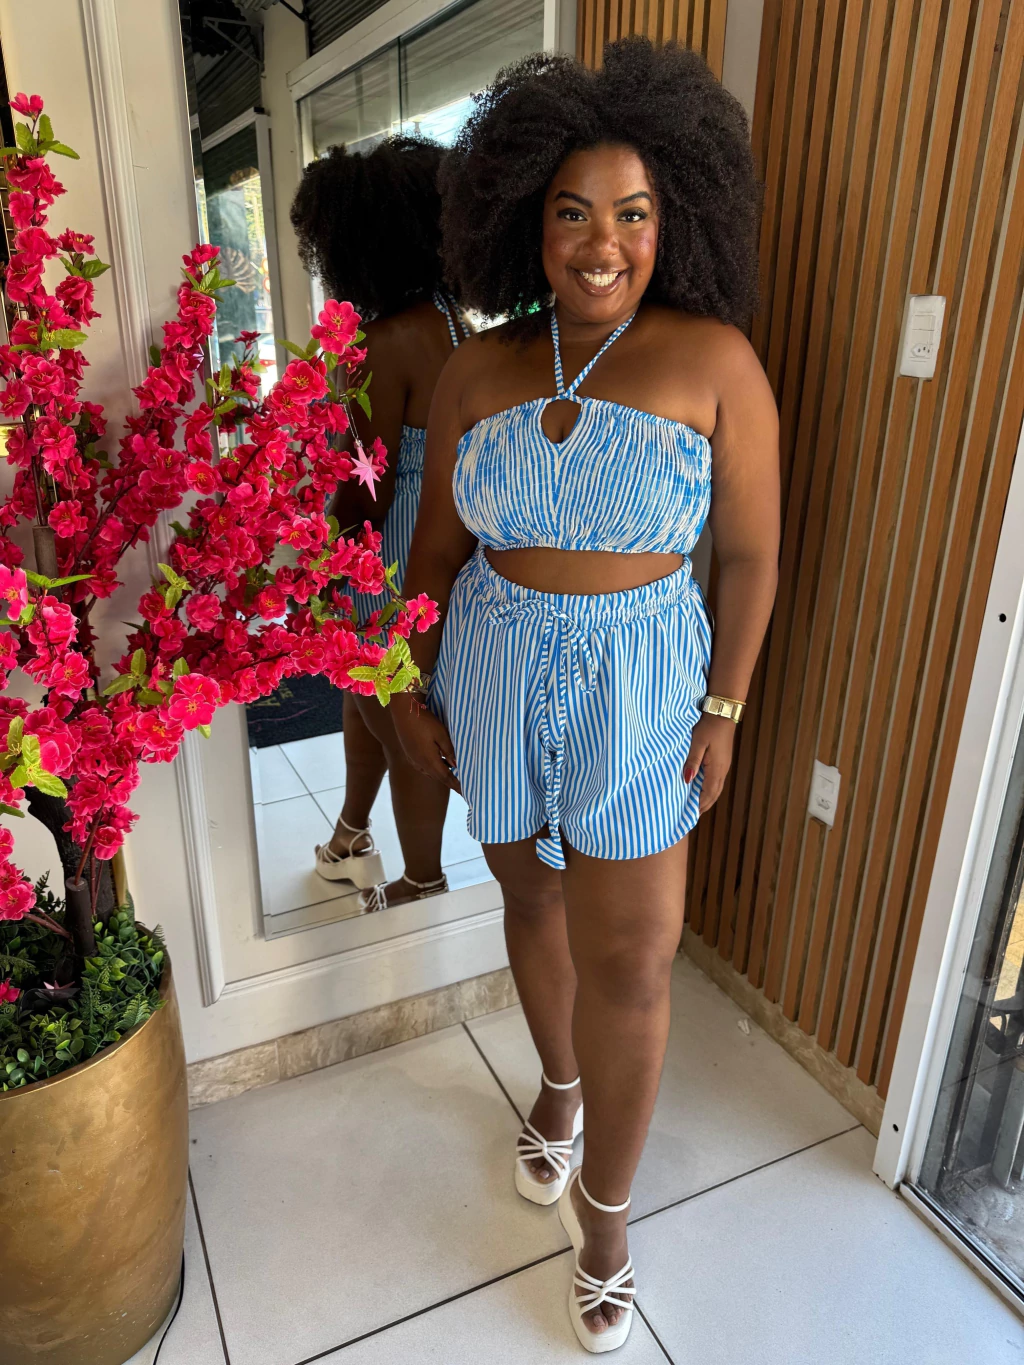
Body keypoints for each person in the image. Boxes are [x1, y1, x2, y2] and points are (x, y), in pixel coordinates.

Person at [392, 39, 780, 1353]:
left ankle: (605, 1220)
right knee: (531, 897)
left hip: (643, 681)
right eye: (572, 213)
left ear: (676, 219)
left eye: (632, 213)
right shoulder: (476, 369)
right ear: (525, 219)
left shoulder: (714, 359)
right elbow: (432, 557)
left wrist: (724, 708)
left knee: (632, 956)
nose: (602, 244)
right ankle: (557, 1087)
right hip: (493, 665)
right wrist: (408, 684)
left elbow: (749, 557)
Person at [290, 136, 470, 910]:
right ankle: (350, 834)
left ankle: (423, 878)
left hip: (386, 561)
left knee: (400, 725)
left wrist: (318, 559)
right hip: (444, 550)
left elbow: (369, 487)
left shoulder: (382, 344)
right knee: (361, 695)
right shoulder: (455, 323)